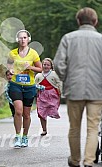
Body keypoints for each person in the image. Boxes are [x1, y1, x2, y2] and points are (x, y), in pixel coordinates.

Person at [53, 7, 102, 167]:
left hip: (74, 89)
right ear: (95, 22)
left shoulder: (68, 38)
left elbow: (58, 64)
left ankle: (75, 160)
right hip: (97, 91)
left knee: (74, 128)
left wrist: (66, 79)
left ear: (78, 21)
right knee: (93, 128)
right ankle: (89, 162)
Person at [7, 29, 42, 148]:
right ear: (17, 40)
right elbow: (9, 68)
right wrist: (10, 71)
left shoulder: (33, 53)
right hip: (15, 84)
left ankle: (25, 137)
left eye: (25, 38)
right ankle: (17, 136)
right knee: (18, 111)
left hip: (29, 86)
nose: (23, 40)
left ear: (28, 39)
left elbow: (40, 69)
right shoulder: (12, 53)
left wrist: (30, 67)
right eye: (20, 38)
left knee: (26, 115)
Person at [35, 58, 61, 136]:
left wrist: (60, 91)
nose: (46, 66)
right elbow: (34, 84)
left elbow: (59, 82)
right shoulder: (39, 75)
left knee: (53, 108)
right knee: (41, 112)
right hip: (42, 95)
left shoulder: (54, 74)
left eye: (48, 65)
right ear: (42, 65)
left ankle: (52, 113)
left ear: (51, 66)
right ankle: (44, 129)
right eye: (44, 64)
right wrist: (37, 88)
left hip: (52, 94)